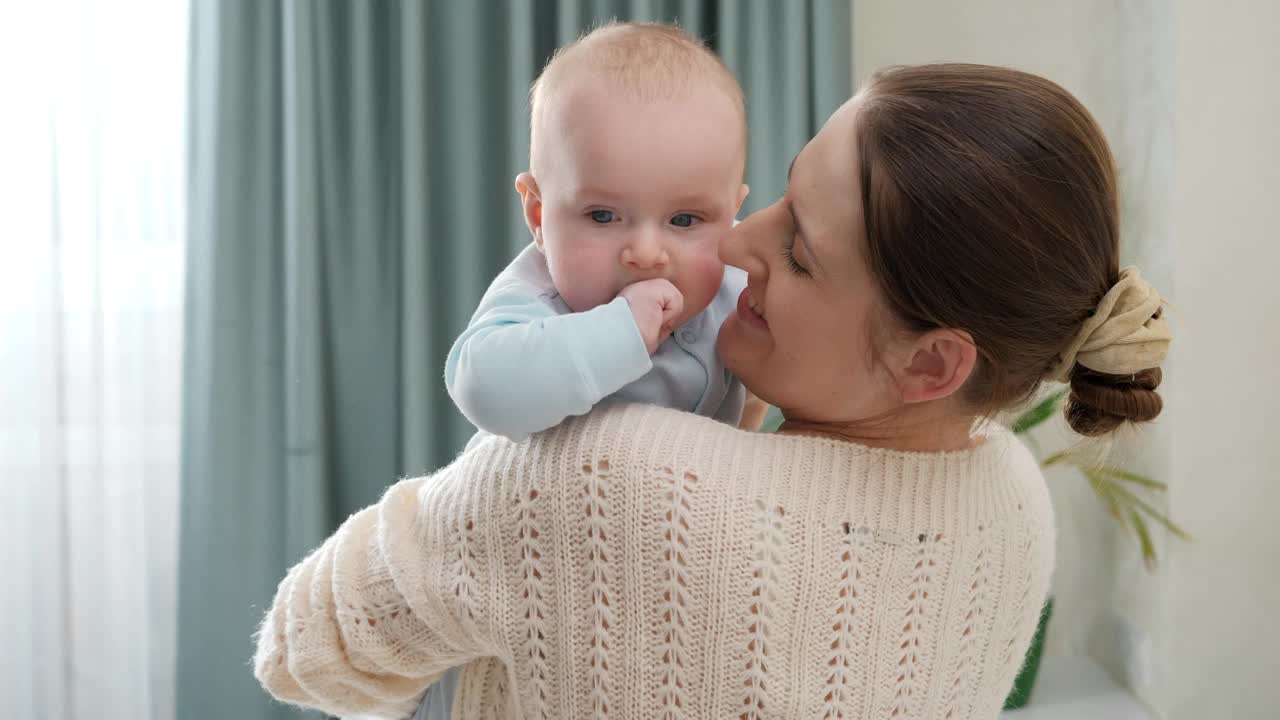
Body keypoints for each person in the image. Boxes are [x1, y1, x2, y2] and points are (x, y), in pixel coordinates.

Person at [253, 62, 1172, 719]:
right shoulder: (1015, 498)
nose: (732, 247)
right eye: (773, 196)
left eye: (799, 251)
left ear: (932, 365)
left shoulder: (610, 476)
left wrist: (505, 468)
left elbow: (305, 652)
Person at [445, 22, 767, 444]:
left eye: (684, 220)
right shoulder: (539, 295)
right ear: (539, 216)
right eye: (602, 216)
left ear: (730, 216)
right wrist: (621, 330)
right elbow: (482, 389)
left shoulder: (738, 277)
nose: (647, 254)